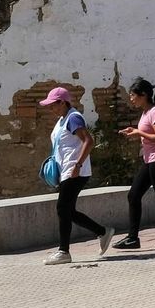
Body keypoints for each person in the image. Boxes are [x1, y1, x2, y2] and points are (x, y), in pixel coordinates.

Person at [41, 86, 113, 265]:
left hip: (74, 172)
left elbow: (88, 141)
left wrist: (77, 165)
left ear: (63, 102)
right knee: (68, 211)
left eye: (53, 105)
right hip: (67, 171)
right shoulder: (63, 119)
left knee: (62, 208)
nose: (51, 108)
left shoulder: (73, 118)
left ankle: (64, 251)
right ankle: (102, 232)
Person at [111, 77, 155, 250]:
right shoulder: (146, 112)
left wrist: (138, 133)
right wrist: (135, 131)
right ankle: (132, 238)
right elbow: (148, 133)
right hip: (149, 160)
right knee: (134, 195)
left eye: (133, 95)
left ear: (143, 95)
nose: (131, 99)